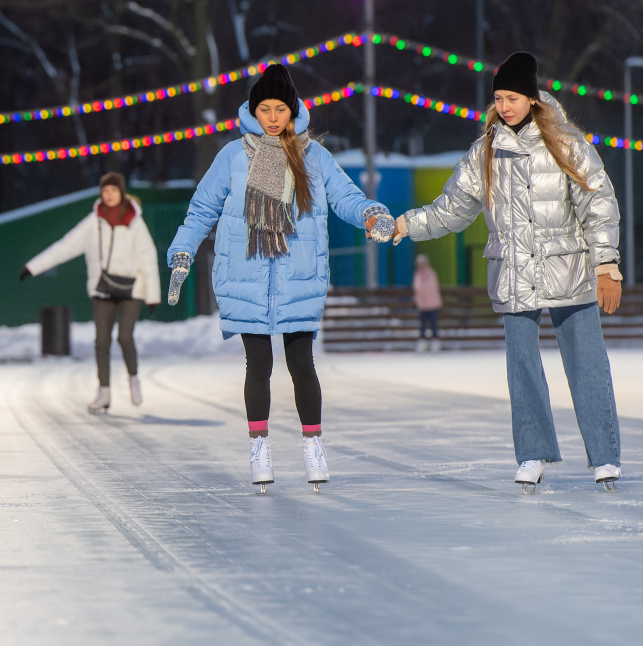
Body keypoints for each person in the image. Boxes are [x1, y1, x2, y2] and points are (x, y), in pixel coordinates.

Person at [378, 51, 624, 492]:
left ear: (532, 98)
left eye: (513, 97)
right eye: (499, 98)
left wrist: (606, 263)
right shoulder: (485, 151)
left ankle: (604, 458)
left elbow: (598, 202)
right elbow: (451, 209)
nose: (505, 105)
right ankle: (532, 453)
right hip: (513, 272)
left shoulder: (567, 144)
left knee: (587, 364)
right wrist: (404, 224)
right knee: (521, 367)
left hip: (569, 267)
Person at [166, 64, 395, 493]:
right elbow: (201, 210)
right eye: (265, 109)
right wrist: (183, 250)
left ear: (293, 111)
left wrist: (370, 213)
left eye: (280, 109)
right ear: (252, 111)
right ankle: (259, 448)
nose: (273, 118)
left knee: (302, 364)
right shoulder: (233, 156)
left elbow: (346, 196)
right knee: (259, 365)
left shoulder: (313, 156)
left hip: (298, 275)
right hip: (246, 275)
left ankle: (313, 446)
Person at [20, 172, 160, 412]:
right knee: (101, 342)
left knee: (125, 337)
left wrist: (153, 294)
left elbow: (148, 258)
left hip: (133, 288)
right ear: (101, 193)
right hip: (102, 287)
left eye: (114, 190)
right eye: (105, 191)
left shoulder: (135, 222)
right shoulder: (92, 223)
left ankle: (133, 379)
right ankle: (103, 392)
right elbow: (66, 246)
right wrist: (33, 267)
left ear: (121, 192)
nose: (109, 195)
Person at [413, 254, 443, 352]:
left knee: (433, 324)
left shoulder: (431, 274)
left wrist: (421, 288)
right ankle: (423, 343)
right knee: (422, 325)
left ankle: (435, 342)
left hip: (432, 304)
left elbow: (429, 287)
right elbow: (416, 287)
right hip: (422, 305)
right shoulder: (417, 275)